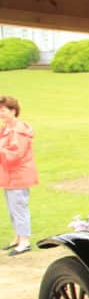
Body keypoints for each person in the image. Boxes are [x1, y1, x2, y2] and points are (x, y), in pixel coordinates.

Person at [0, 95, 38, 256]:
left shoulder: (19, 131)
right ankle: (17, 238)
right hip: (9, 176)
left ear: (13, 111)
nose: (1, 114)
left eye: (3, 110)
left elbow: (15, 155)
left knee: (19, 208)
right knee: (12, 209)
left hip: (18, 176)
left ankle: (24, 242)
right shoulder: (7, 128)